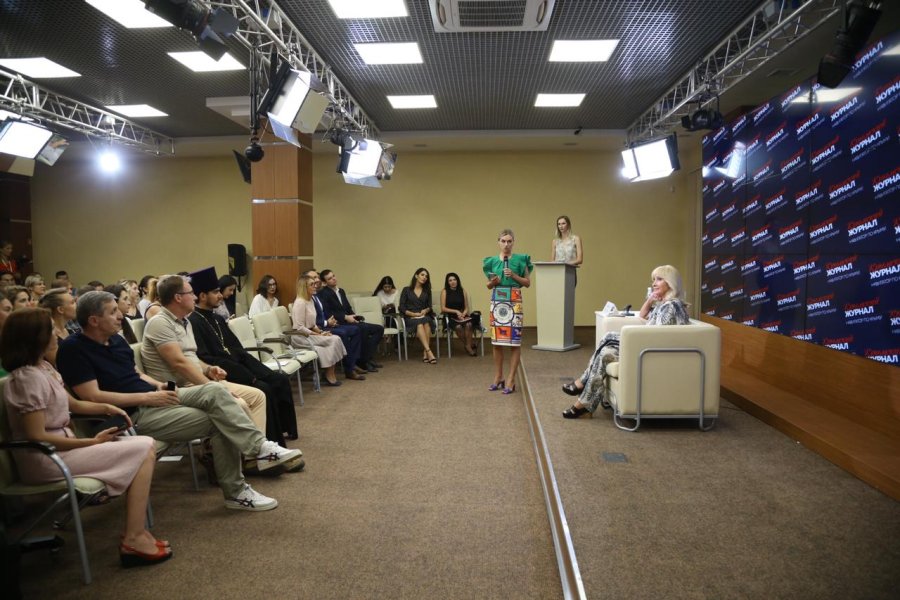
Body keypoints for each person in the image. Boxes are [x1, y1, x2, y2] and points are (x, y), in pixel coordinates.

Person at [56, 291, 297, 512]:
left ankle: (259, 449)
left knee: (214, 390)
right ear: (94, 320)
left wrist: (157, 385)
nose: (121, 315)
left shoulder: (117, 341)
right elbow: (93, 396)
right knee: (222, 421)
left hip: (154, 397)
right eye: (112, 312)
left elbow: (135, 374)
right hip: (131, 415)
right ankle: (237, 491)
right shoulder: (73, 349)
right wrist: (148, 396)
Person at [1, 308, 172, 566]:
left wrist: (107, 408)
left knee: (144, 446)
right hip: (45, 458)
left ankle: (136, 534)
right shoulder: (27, 379)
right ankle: (134, 537)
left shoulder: (43, 367)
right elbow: (37, 435)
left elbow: (74, 405)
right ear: (36, 337)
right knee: (144, 446)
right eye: (51, 330)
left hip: (62, 449)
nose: (57, 334)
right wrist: (90, 442)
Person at [140, 275, 274, 444]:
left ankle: (256, 452)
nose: (195, 297)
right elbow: (179, 363)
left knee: (257, 396)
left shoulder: (185, 322)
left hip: (197, 383)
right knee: (238, 405)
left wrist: (208, 369)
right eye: (191, 293)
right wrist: (211, 385)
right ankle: (258, 449)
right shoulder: (160, 323)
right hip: (179, 388)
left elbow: (191, 357)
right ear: (178, 298)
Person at [561, 265, 691, 418]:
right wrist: (650, 299)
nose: (654, 283)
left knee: (609, 336)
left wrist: (634, 338)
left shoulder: (671, 307)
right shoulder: (665, 304)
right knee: (605, 353)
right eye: (654, 280)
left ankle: (582, 383)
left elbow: (658, 337)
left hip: (650, 353)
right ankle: (585, 404)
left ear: (671, 283)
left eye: (659, 279)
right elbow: (642, 315)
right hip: (645, 349)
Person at [188, 267, 300, 444]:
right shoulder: (194, 322)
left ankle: (284, 429)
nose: (221, 296)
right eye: (216, 292)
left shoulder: (217, 319)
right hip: (225, 371)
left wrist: (260, 371)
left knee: (279, 379)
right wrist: (250, 377)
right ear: (202, 296)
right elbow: (207, 358)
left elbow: (237, 349)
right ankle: (270, 442)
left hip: (238, 365)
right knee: (264, 388)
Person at [483, 229, 532, 394]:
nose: (506, 244)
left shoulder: (521, 260)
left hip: (514, 301)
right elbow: (488, 285)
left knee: (514, 342)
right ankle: (498, 377)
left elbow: (527, 283)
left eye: (509, 241)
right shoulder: (491, 261)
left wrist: (514, 275)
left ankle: (511, 379)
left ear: (513, 242)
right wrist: (493, 282)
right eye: (503, 241)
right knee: (496, 342)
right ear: (498, 242)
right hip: (497, 302)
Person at [319, 269, 384, 373]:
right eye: (330, 278)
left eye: (333, 276)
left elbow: (348, 308)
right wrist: (345, 317)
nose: (334, 279)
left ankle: (366, 358)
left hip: (349, 320)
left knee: (379, 329)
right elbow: (328, 312)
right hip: (338, 322)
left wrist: (354, 316)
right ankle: (363, 362)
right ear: (325, 282)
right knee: (363, 328)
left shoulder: (341, 291)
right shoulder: (324, 293)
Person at [291, 271, 348, 386]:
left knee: (334, 338)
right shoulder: (300, 302)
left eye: (314, 284)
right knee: (334, 340)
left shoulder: (310, 300)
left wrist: (321, 332)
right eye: (311, 284)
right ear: (304, 287)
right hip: (301, 337)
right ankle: (329, 374)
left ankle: (329, 373)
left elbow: (313, 324)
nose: (315, 286)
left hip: (310, 333)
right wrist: (318, 335)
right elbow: (299, 327)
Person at [308, 270, 365, 381]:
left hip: (326, 324)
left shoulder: (315, 294)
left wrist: (331, 320)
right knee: (343, 333)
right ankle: (349, 369)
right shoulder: (308, 297)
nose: (317, 280)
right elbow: (311, 321)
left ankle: (352, 363)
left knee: (356, 330)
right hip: (317, 328)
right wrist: (326, 322)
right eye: (314, 278)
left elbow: (325, 312)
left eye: (317, 277)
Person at [399, 268, 437, 364]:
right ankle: (429, 351)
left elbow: (430, 306)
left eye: (426, 276)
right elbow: (401, 307)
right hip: (410, 317)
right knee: (420, 324)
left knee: (427, 323)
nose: (424, 277)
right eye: (422, 275)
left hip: (423, 316)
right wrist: (412, 314)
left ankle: (425, 353)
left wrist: (425, 310)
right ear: (416, 276)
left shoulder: (427, 290)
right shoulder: (406, 290)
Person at [440, 272, 479, 356]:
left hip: (462, 315)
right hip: (450, 316)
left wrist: (463, 314)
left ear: (457, 280)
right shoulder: (444, 291)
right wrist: (456, 311)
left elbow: (466, 307)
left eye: (454, 279)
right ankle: (468, 345)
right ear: (447, 282)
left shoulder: (462, 291)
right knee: (458, 327)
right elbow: (443, 308)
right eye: (450, 280)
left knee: (469, 324)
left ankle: (468, 345)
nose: (453, 282)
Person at [38, 288, 78, 365]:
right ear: (60, 309)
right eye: (72, 302)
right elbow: (60, 364)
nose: (76, 305)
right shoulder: (49, 336)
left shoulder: (70, 331)